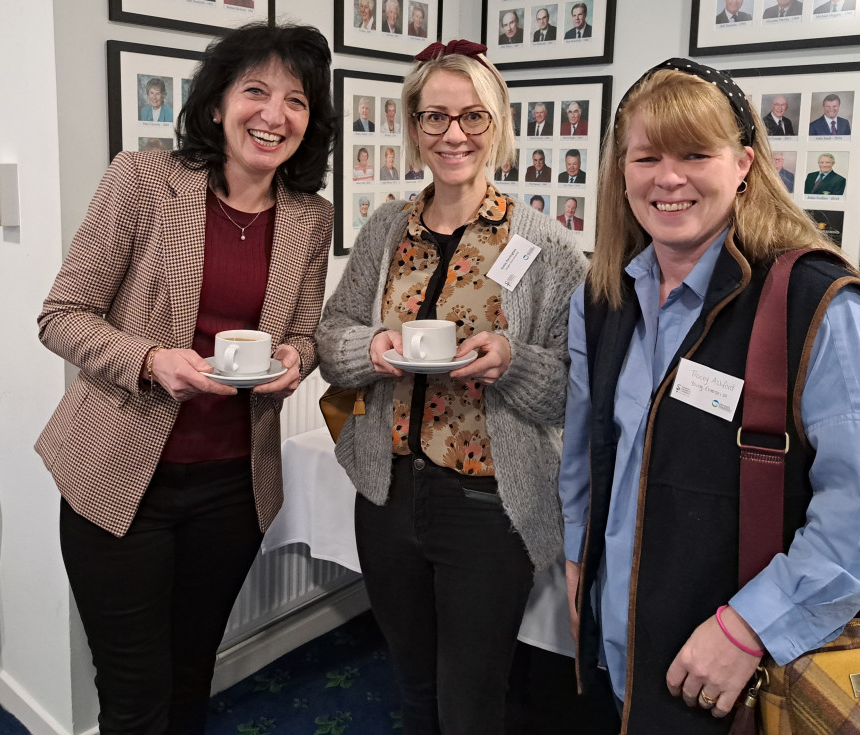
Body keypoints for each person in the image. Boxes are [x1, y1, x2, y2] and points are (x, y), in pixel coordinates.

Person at [560, 57, 860, 733]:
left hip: (747, 676)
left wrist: (748, 627)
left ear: (743, 163)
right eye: (645, 156)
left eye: (695, 153)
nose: (668, 178)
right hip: (620, 655)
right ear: (621, 170)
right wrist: (576, 561)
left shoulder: (818, 307)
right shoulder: (601, 299)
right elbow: (588, 455)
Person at [36, 23, 337, 734]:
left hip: (232, 486)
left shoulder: (310, 218)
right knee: (136, 699)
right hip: (119, 482)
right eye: (255, 91)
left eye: (295, 100)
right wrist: (149, 360)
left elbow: (300, 332)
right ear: (215, 104)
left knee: (191, 674)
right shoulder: (141, 181)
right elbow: (62, 315)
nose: (274, 114)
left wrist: (299, 358)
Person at [315, 39, 586, 735]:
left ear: (499, 125)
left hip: (487, 504)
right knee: (412, 686)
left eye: (472, 117)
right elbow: (331, 332)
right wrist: (366, 348)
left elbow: (574, 388)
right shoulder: (384, 230)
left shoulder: (549, 247)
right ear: (413, 128)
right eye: (434, 117)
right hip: (387, 491)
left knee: (471, 702)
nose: (453, 134)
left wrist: (512, 362)